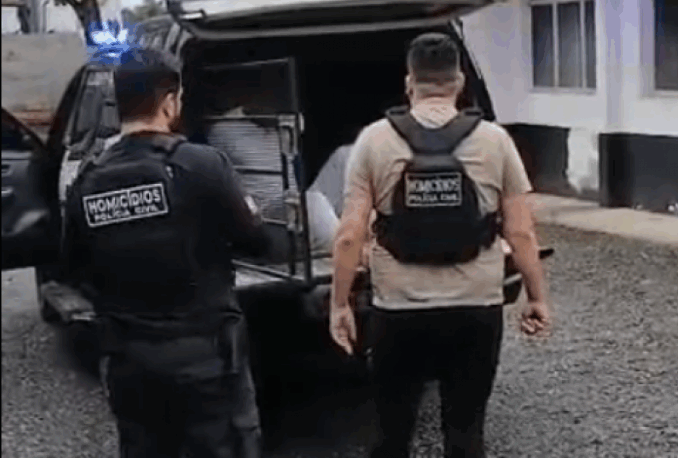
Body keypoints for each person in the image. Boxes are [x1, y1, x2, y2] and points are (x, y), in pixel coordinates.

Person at [328, 32, 551, 458]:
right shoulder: (496, 140)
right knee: (465, 434)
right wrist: (537, 298)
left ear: (409, 82)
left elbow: (349, 234)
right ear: (460, 82)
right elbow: (521, 232)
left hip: (398, 312)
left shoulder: (373, 140)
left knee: (393, 435)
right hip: (476, 309)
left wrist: (340, 304)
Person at [61, 48, 270, 458]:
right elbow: (258, 242)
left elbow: (73, 270)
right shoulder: (203, 164)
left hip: (131, 363)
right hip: (206, 359)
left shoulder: (87, 181)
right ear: (170, 102)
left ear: (118, 104)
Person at [207, 102, 340, 258]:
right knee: (313, 202)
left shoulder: (282, 129)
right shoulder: (224, 129)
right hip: (268, 215)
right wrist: (263, 114)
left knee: (345, 155)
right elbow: (259, 110)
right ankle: (345, 249)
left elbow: (296, 120)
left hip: (294, 205)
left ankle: (349, 236)